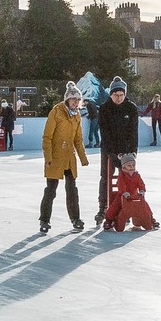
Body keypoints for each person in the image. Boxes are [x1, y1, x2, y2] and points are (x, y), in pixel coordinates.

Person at [40, 86, 89, 233]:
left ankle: (75, 219)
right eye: (73, 99)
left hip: (69, 158)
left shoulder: (77, 116)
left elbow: (78, 139)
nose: (76, 102)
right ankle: (44, 220)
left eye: (78, 100)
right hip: (55, 158)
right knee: (51, 190)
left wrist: (83, 158)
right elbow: (47, 137)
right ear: (67, 99)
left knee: (72, 189)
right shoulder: (56, 112)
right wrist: (48, 157)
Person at [96, 77, 139, 212]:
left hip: (126, 149)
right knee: (105, 177)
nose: (119, 98)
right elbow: (105, 132)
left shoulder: (131, 108)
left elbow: (133, 131)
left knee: (127, 177)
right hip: (109, 148)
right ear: (111, 94)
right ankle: (103, 206)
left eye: (121, 95)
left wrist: (133, 151)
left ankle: (125, 204)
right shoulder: (105, 108)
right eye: (116, 95)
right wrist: (112, 151)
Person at [105, 152, 159, 231]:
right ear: (124, 166)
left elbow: (141, 183)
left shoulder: (136, 175)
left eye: (133, 165)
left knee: (145, 205)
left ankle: (151, 220)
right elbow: (120, 184)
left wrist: (142, 190)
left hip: (134, 196)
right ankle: (108, 220)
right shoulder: (122, 175)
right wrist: (124, 192)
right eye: (129, 165)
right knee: (115, 206)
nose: (132, 167)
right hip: (123, 196)